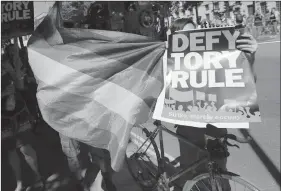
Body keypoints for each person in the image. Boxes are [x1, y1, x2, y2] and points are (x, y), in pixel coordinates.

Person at [168, 18, 258, 190]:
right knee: (192, 176)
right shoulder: (171, 59)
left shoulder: (215, 55)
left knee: (219, 174)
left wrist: (250, 58)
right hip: (188, 132)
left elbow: (247, 83)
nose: (191, 37)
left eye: (194, 33)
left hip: (215, 128)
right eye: (185, 35)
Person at [1, 43, 44, 191]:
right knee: (11, 150)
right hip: (2, 118)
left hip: (19, 113)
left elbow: (20, 85)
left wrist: (14, 68)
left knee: (26, 148)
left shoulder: (5, 63)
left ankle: (38, 176)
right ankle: (19, 183)